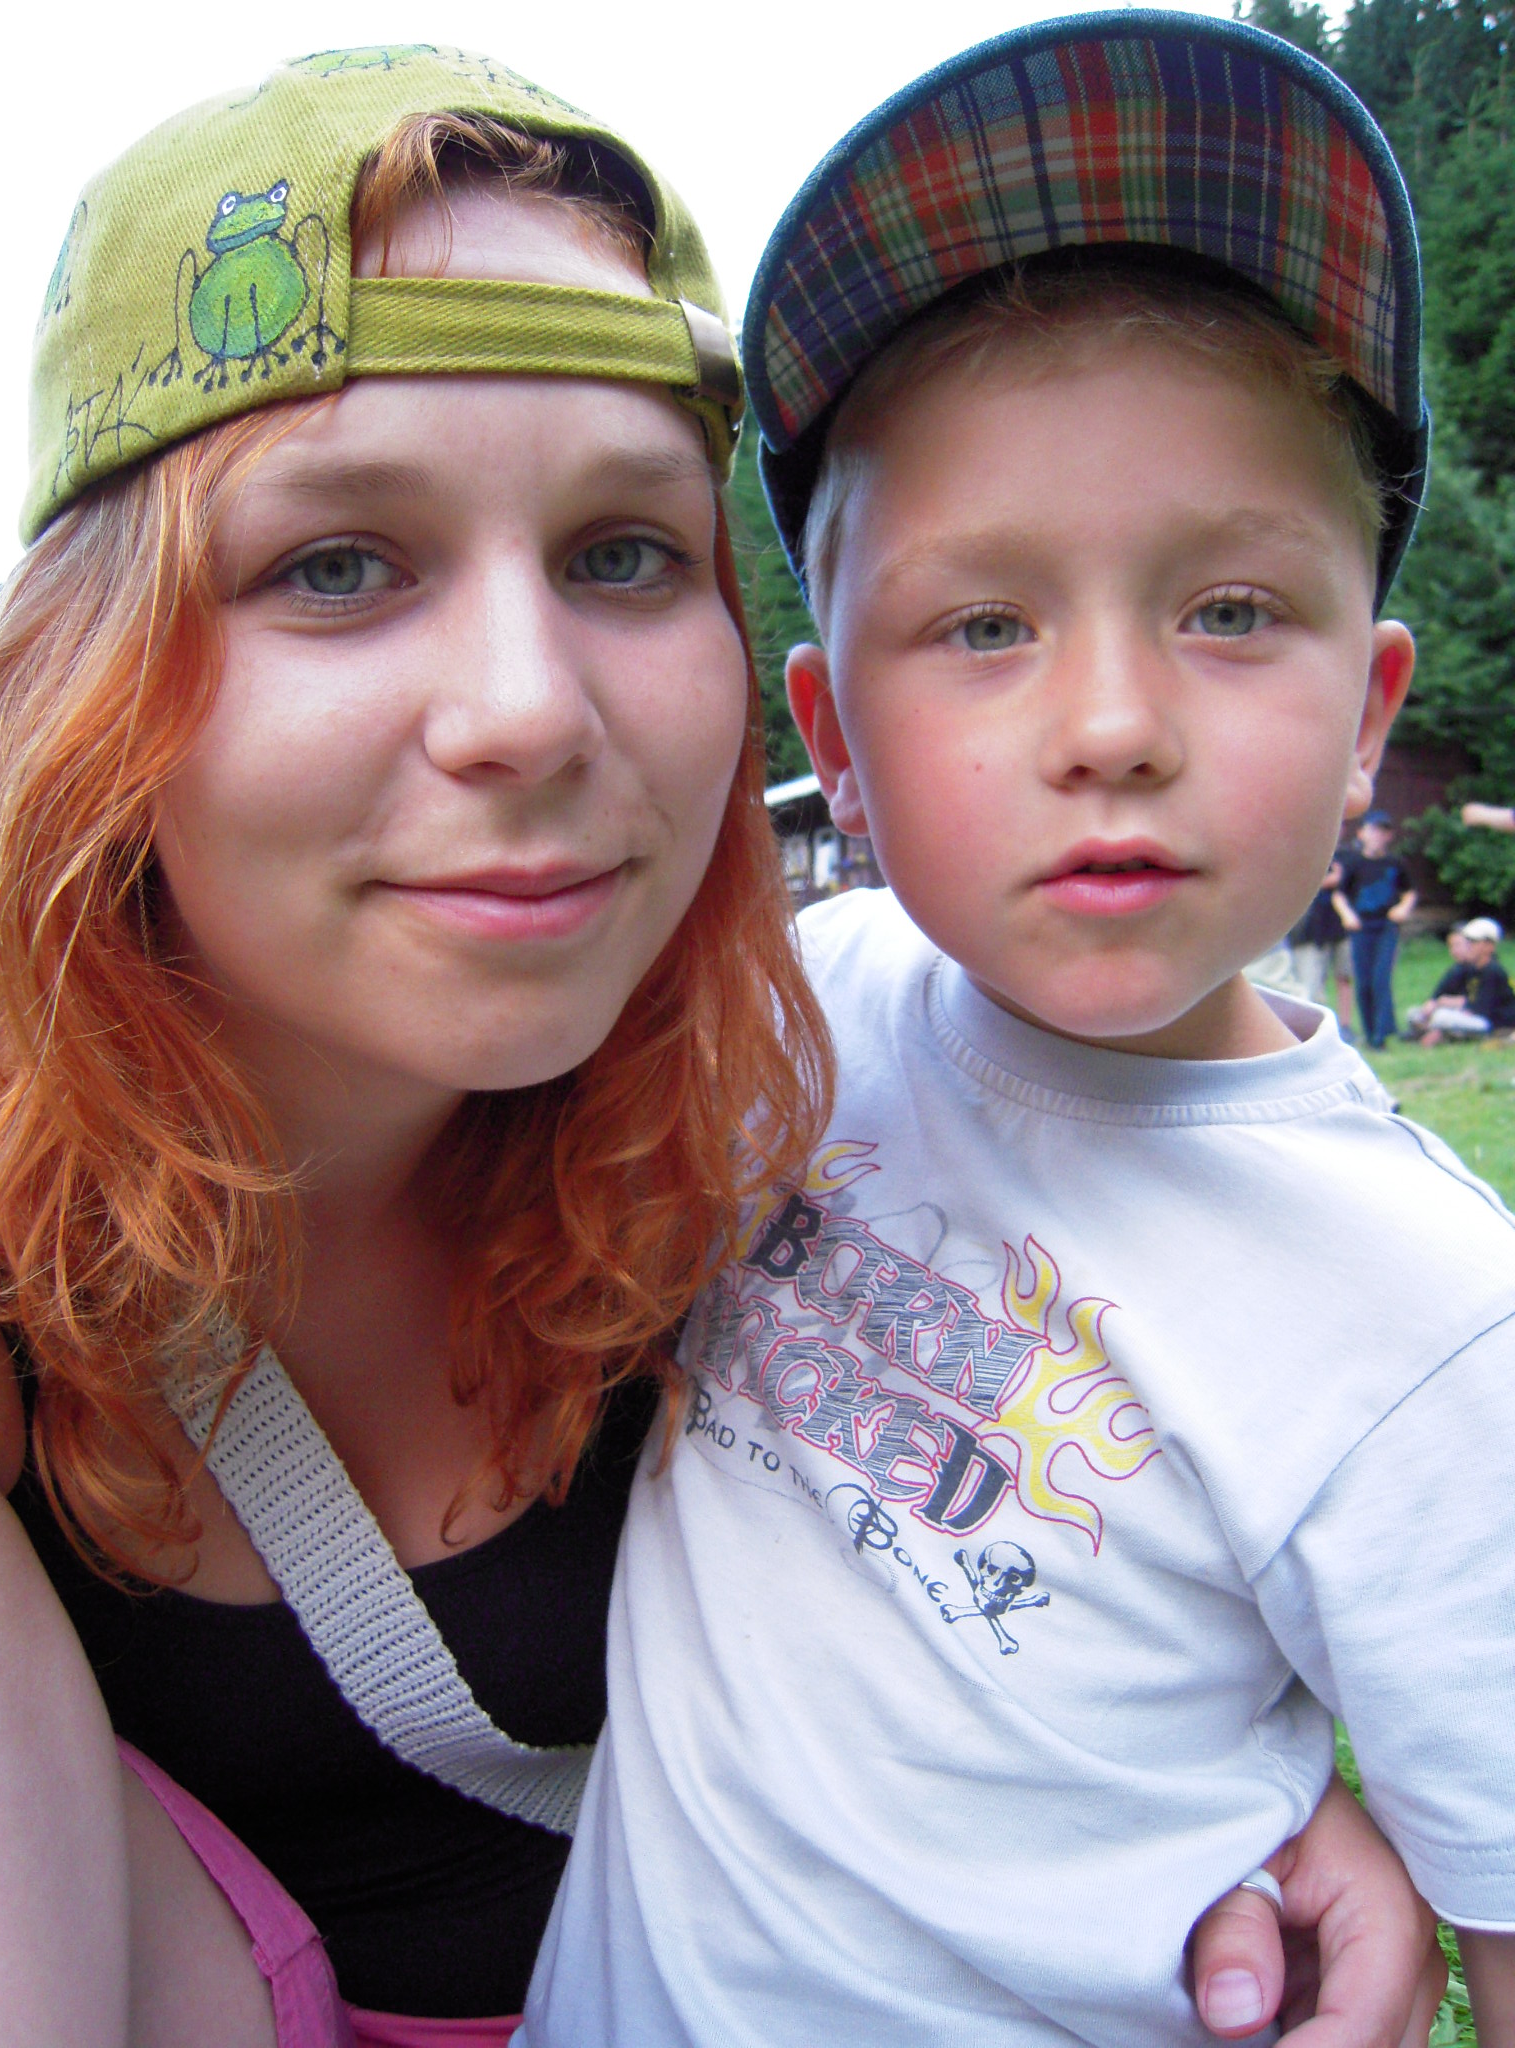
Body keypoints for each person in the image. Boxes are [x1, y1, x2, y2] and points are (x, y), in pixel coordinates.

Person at [0, 41, 1425, 2048]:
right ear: (89, 676)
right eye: (338, 564)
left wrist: (1192, 1778)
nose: (528, 709)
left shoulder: (805, 1125)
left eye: (623, 554)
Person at [522, 16, 1515, 2047]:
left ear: (1368, 715)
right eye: (983, 625)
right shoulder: (794, 1010)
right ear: (834, 739)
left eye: (1231, 610)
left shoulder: (1432, 1329)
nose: (1114, 725)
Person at [1332, 813, 1415, 1047]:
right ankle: (1370, 1035)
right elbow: (1339, 895)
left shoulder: (1395, 864)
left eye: (1383, 831)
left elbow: (1409, 892)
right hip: (1361, 928)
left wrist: (1403, 908)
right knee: (1364, 981)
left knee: (1381, 978)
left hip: (1386, 927)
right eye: (1373, 830)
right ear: (1361, 834)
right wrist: (1347, 915)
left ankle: (1383, 1033)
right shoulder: (1354, 863)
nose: (1377, 836)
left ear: (1389, 836)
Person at [1403, 918, 1515, 1042]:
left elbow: (1480, 1010)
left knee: (1442, 1016)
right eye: (1468, 942)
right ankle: (1434, 1032)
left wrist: (1451, 1004)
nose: (1469, 946)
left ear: (1489, 946)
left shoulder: (1492, 971)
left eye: (1474, 942)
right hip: (1472, 1016)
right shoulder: (1471, 968)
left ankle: (1435, 1032)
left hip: (1492, 1024)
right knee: (1414, 1013)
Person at [1289, 853, 1355, 1035]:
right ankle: (1314, 1033)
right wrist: (1327, 881)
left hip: (1339, 929)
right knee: (1311, 986)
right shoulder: (1302, 853)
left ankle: (1345, 1027)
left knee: (1345, 977)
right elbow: (1293, 885)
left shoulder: (1346, 856)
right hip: (1309, 933)